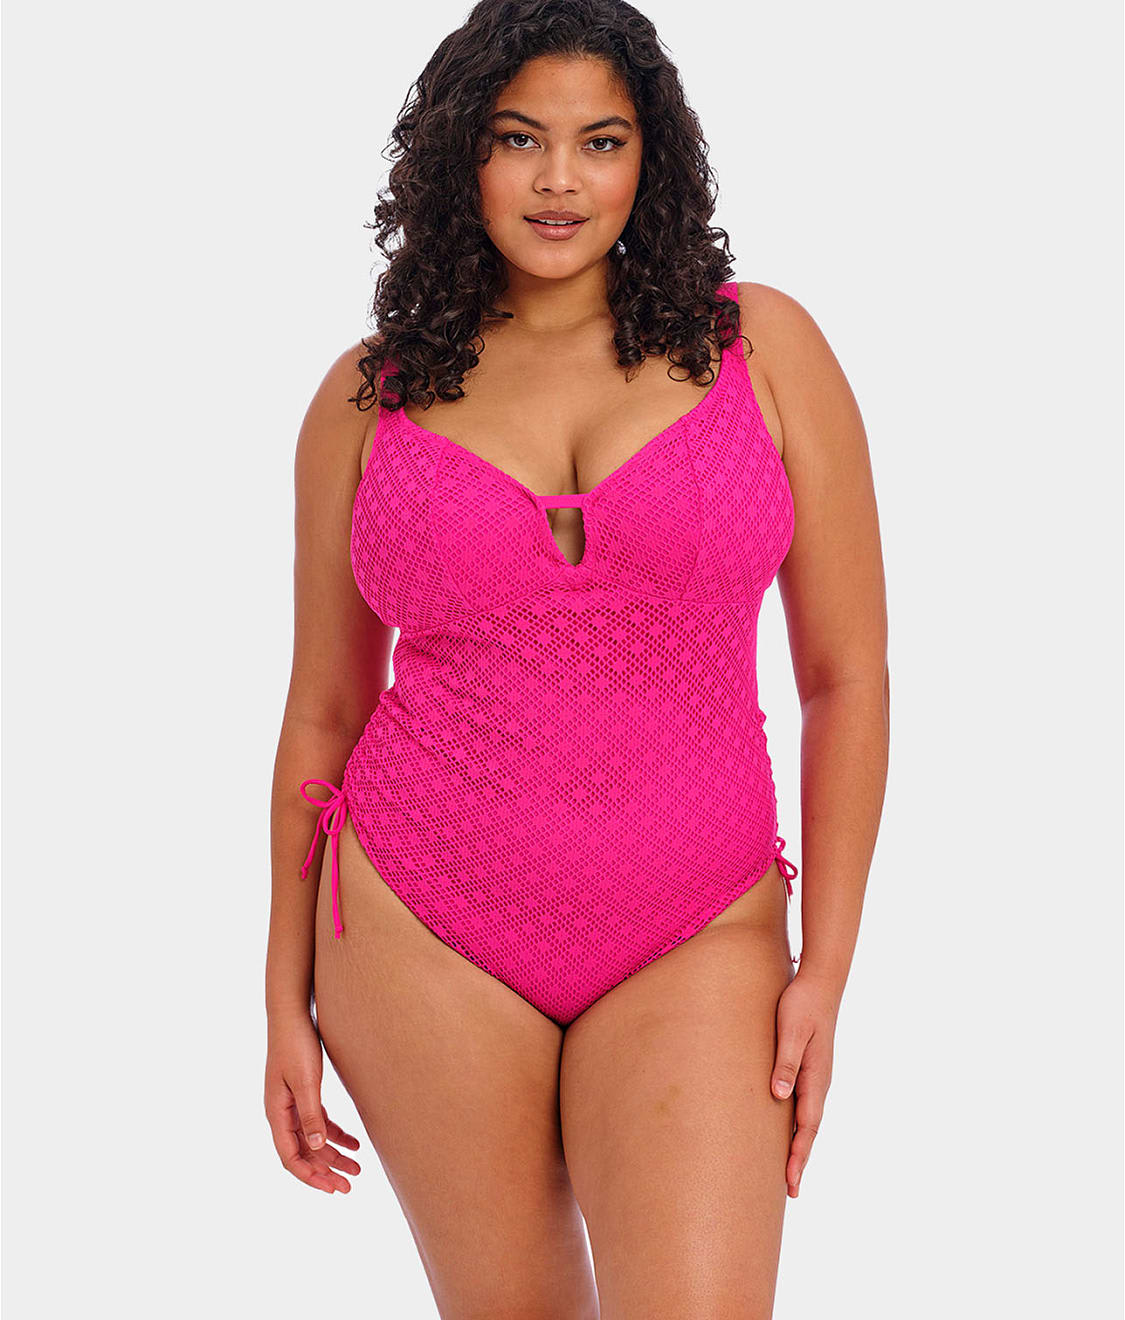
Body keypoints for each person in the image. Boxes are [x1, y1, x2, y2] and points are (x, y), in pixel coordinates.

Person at [264, 1, 889, 1314]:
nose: (559, 181)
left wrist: (826, 969)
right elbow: (323, 711)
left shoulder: (760, 347)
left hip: (698, 923)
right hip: (419, 927)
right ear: (459, 154)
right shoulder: (367, 396)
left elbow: (845, 676)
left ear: (651, 158)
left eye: (600, 141)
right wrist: (280, 994)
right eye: (518, 139)